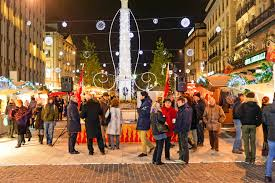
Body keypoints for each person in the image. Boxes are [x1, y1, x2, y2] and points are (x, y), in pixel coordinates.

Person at [237, 92, 262, 164]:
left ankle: (247, 158)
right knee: (253, 143)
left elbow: (238, 114)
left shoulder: (243, 105)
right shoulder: (257, 106)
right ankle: (253, 159)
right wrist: (256, 124)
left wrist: (243, 120)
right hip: (253, 126)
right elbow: (260, 117)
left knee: (246, 143)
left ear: (247, 97)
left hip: (245, 125)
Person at [174, 97, 193, 164]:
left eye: (179, 102)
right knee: (181, 145)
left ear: (183, 102)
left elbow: (186, 122)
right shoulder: (181, 109)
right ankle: (181, 158)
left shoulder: (186, 110)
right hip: (180, 130)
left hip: (183, 131)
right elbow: (179, 120)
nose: (177, 104)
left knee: (184, 145)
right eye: (177, 102)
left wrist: (182, 130)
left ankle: (185, 160)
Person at [137, 91, 154, 157]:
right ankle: (151, 146)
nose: (140, 97)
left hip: (144, 122)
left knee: (143, 138)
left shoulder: (147, 103)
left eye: (140, 96)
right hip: (142, 121)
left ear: (143, 96)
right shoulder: (144, 102)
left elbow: (145, 113)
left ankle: (144, 152)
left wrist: (139, 110)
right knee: (141, 136)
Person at [262, 94, 275, 183]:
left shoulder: (266, 108)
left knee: (270, 155)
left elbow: (264, 121)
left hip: (271, 134)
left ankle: (267, 176)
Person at [151, 101, 167, 165]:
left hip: (155, 131)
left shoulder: (152, 113)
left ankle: (154, 159)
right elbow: (162, 120)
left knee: (157, 146)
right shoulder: (159, 113)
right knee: (160, 147)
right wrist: (164, 116)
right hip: (160, 131)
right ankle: (158, 161)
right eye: (159, 106)